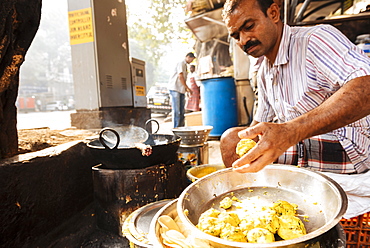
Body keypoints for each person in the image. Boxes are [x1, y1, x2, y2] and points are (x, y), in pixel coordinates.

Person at [220, 0, 370, 174]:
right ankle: (255, 196)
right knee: (234, 142)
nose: (244, 40)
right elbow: (256, 128)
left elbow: (366, 84)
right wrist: (249, 141)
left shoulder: (314, 39)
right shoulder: (264, 72)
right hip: (304, 142)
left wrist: (290, 131)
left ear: (274, 13)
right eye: (236, 36)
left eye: (249, 26)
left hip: (353, 147)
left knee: (234, 144)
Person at [168, 52, 196, 128]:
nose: (191, 61)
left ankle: (181, 127)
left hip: (181, 90)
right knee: (176, 111)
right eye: (191, 59)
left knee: (182, 110)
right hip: (175, 88)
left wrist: (185, 89)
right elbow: (180, 76)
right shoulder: (181, 63)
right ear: (188, 57)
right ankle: (176, 128)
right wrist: (187, 87)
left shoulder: (185, 66)